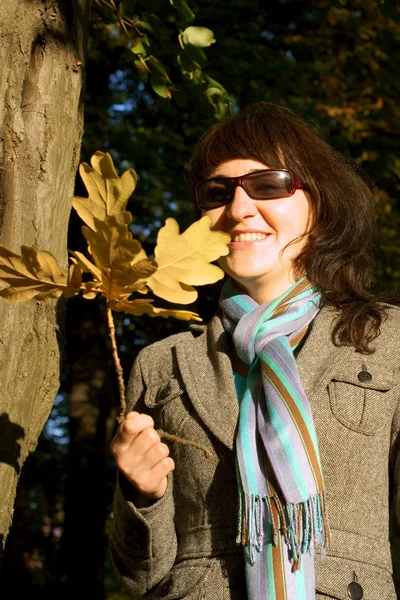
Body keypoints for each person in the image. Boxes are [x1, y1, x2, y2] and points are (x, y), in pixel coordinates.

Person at [109, 102, 400, 600]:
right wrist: (141, 496)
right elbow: (139, 575)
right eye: (217, 193)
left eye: (269, 184)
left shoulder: (386, 340)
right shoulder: (162, 365)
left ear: (319, 201)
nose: (240, 209)